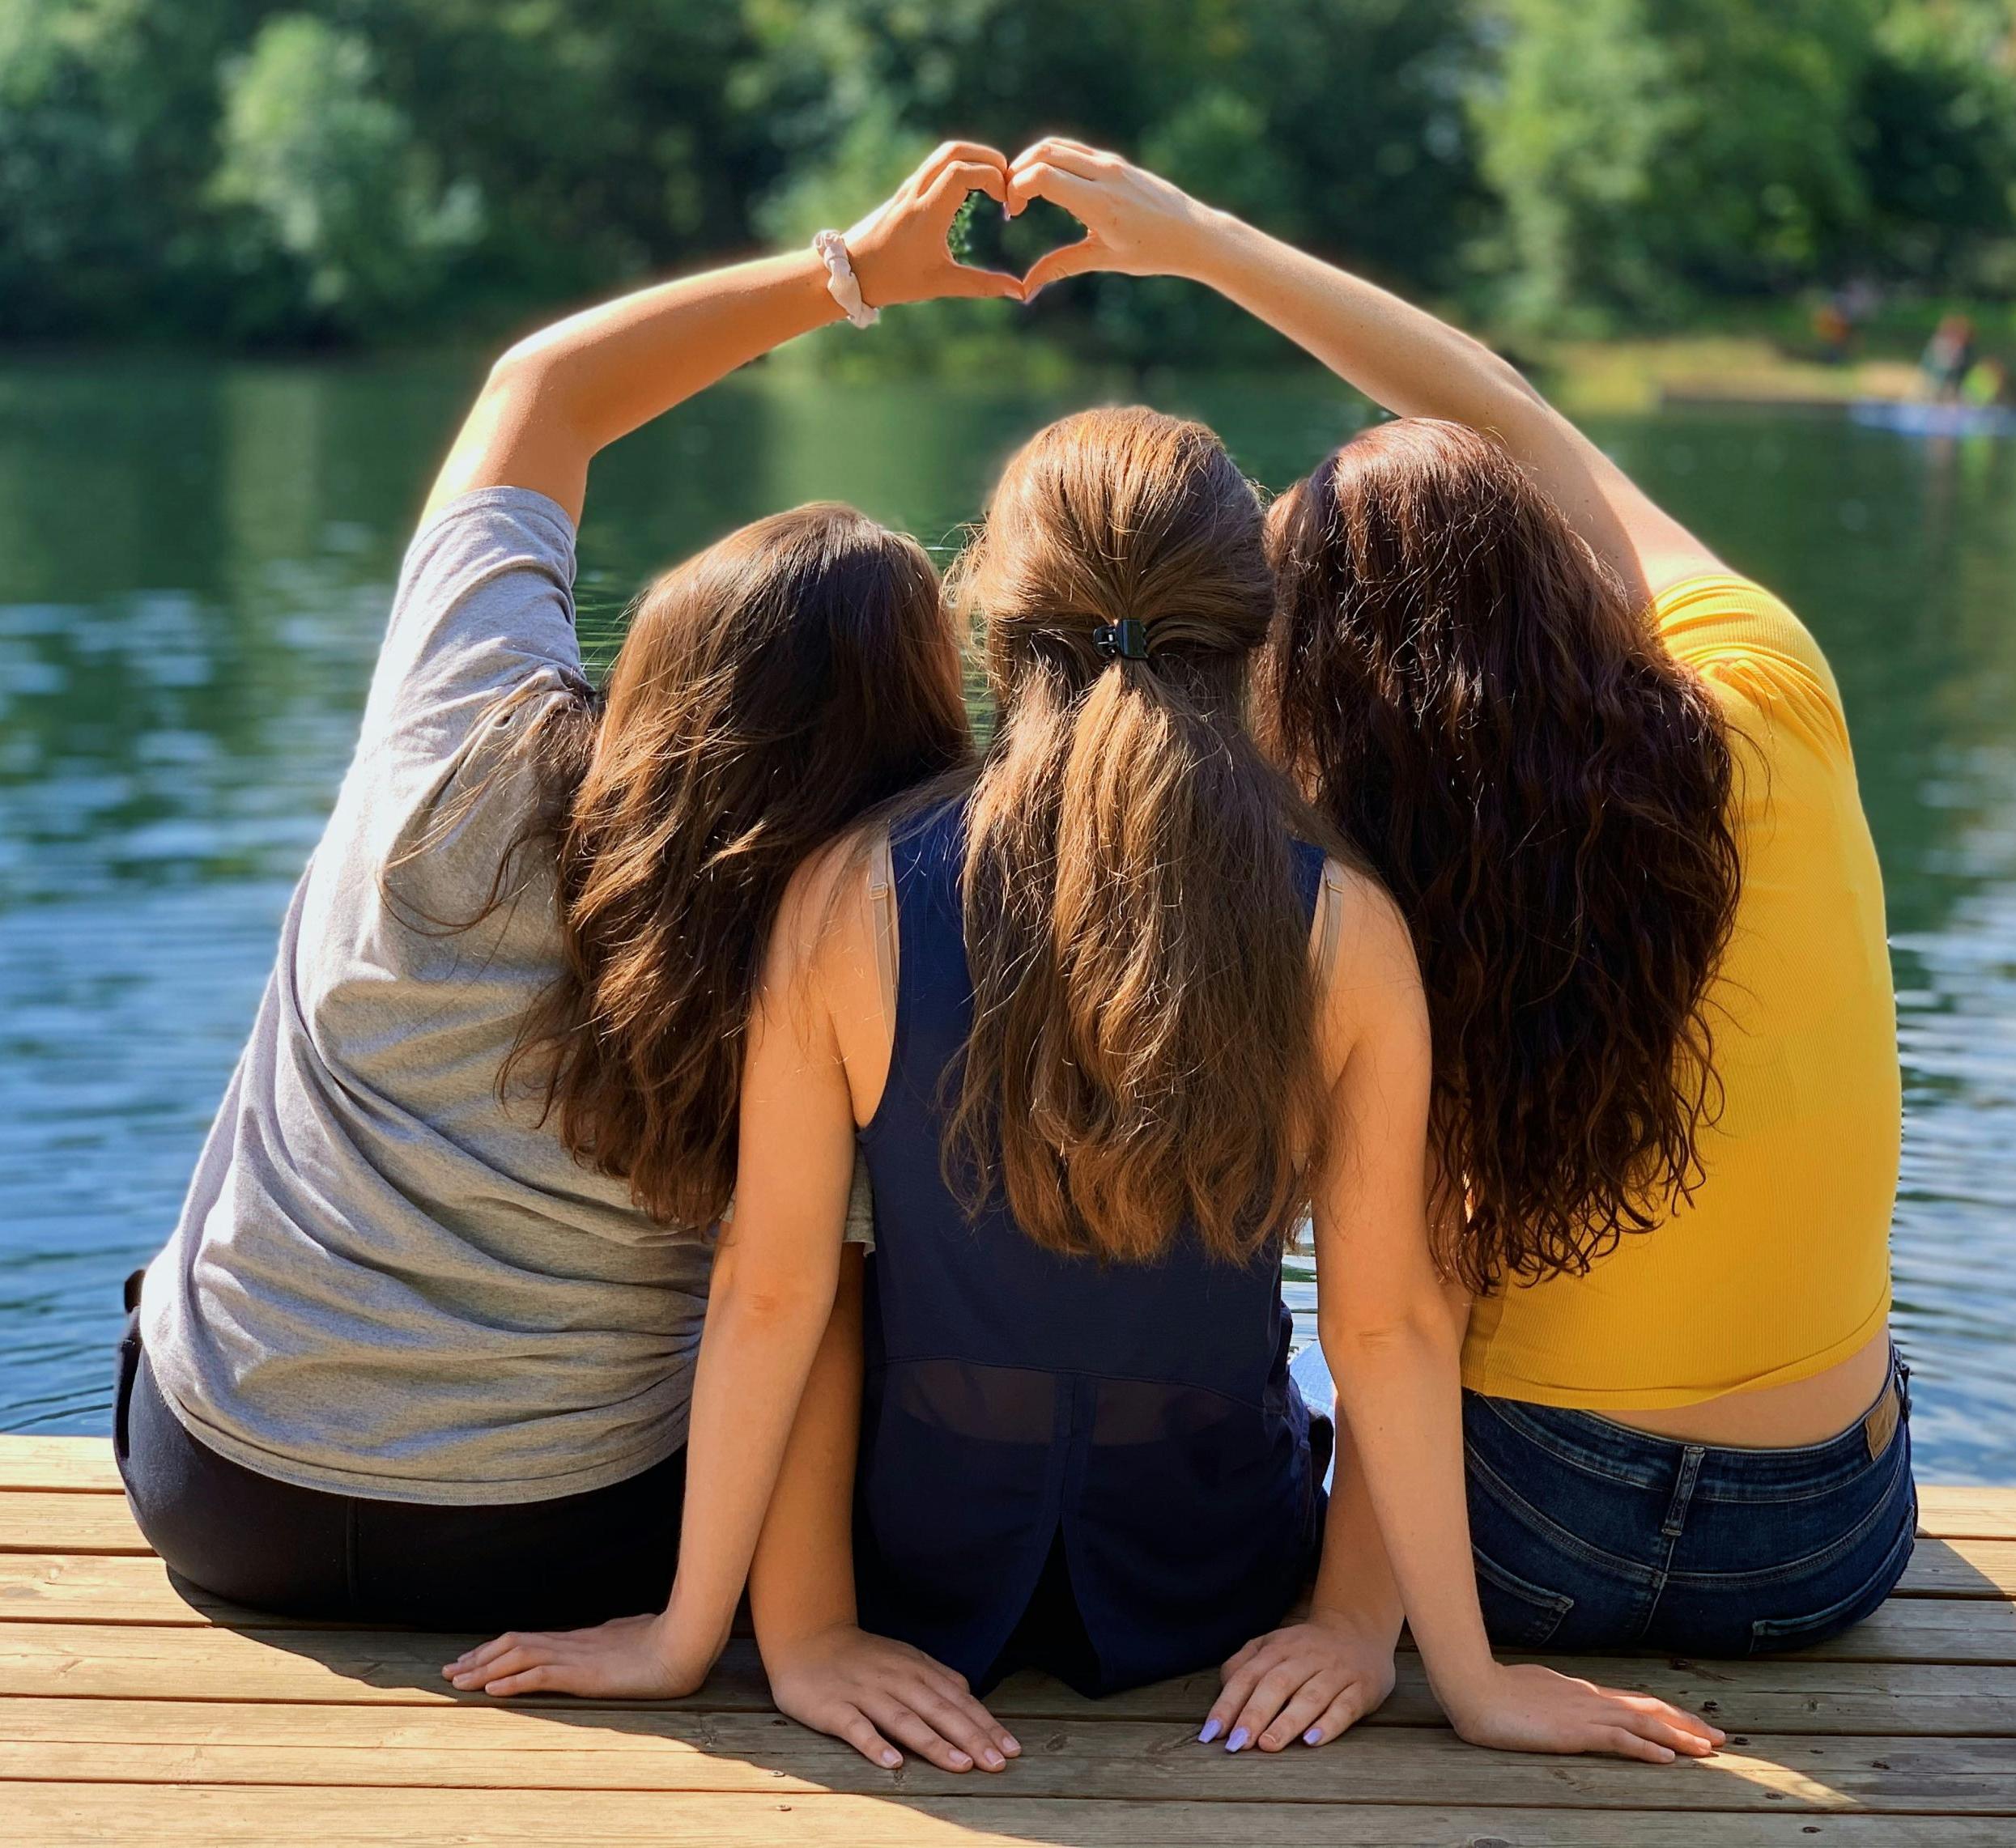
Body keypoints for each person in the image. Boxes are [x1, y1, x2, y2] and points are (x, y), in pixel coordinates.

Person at [445, 390, 1723, 1775]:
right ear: (1254, 629)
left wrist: (710, 1636)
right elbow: (1386, 1329)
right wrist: (1436, 1665)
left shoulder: (846, 895)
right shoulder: (1347, 923)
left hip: (911, 1574)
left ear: (994, 620)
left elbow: (771, 1285)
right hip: (1212, 1578)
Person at [980, 144, 1911, 1668]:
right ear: (1560, 578)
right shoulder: (1769, 692)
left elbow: (1396, 1308)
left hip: (1517, 1547)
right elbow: (1511, 414)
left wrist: (1359, 1619)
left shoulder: (1371, 897)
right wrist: (1206, 238)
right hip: (1820, 1550)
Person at [118, 142, 1021, 1629]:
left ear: (662, 650)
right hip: (567, 1543)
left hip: (224, 1496)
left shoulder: (452, 734)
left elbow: (540, 389)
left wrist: (848, 271)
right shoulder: (858, 935)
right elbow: (805, 1309)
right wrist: (797, 1636)